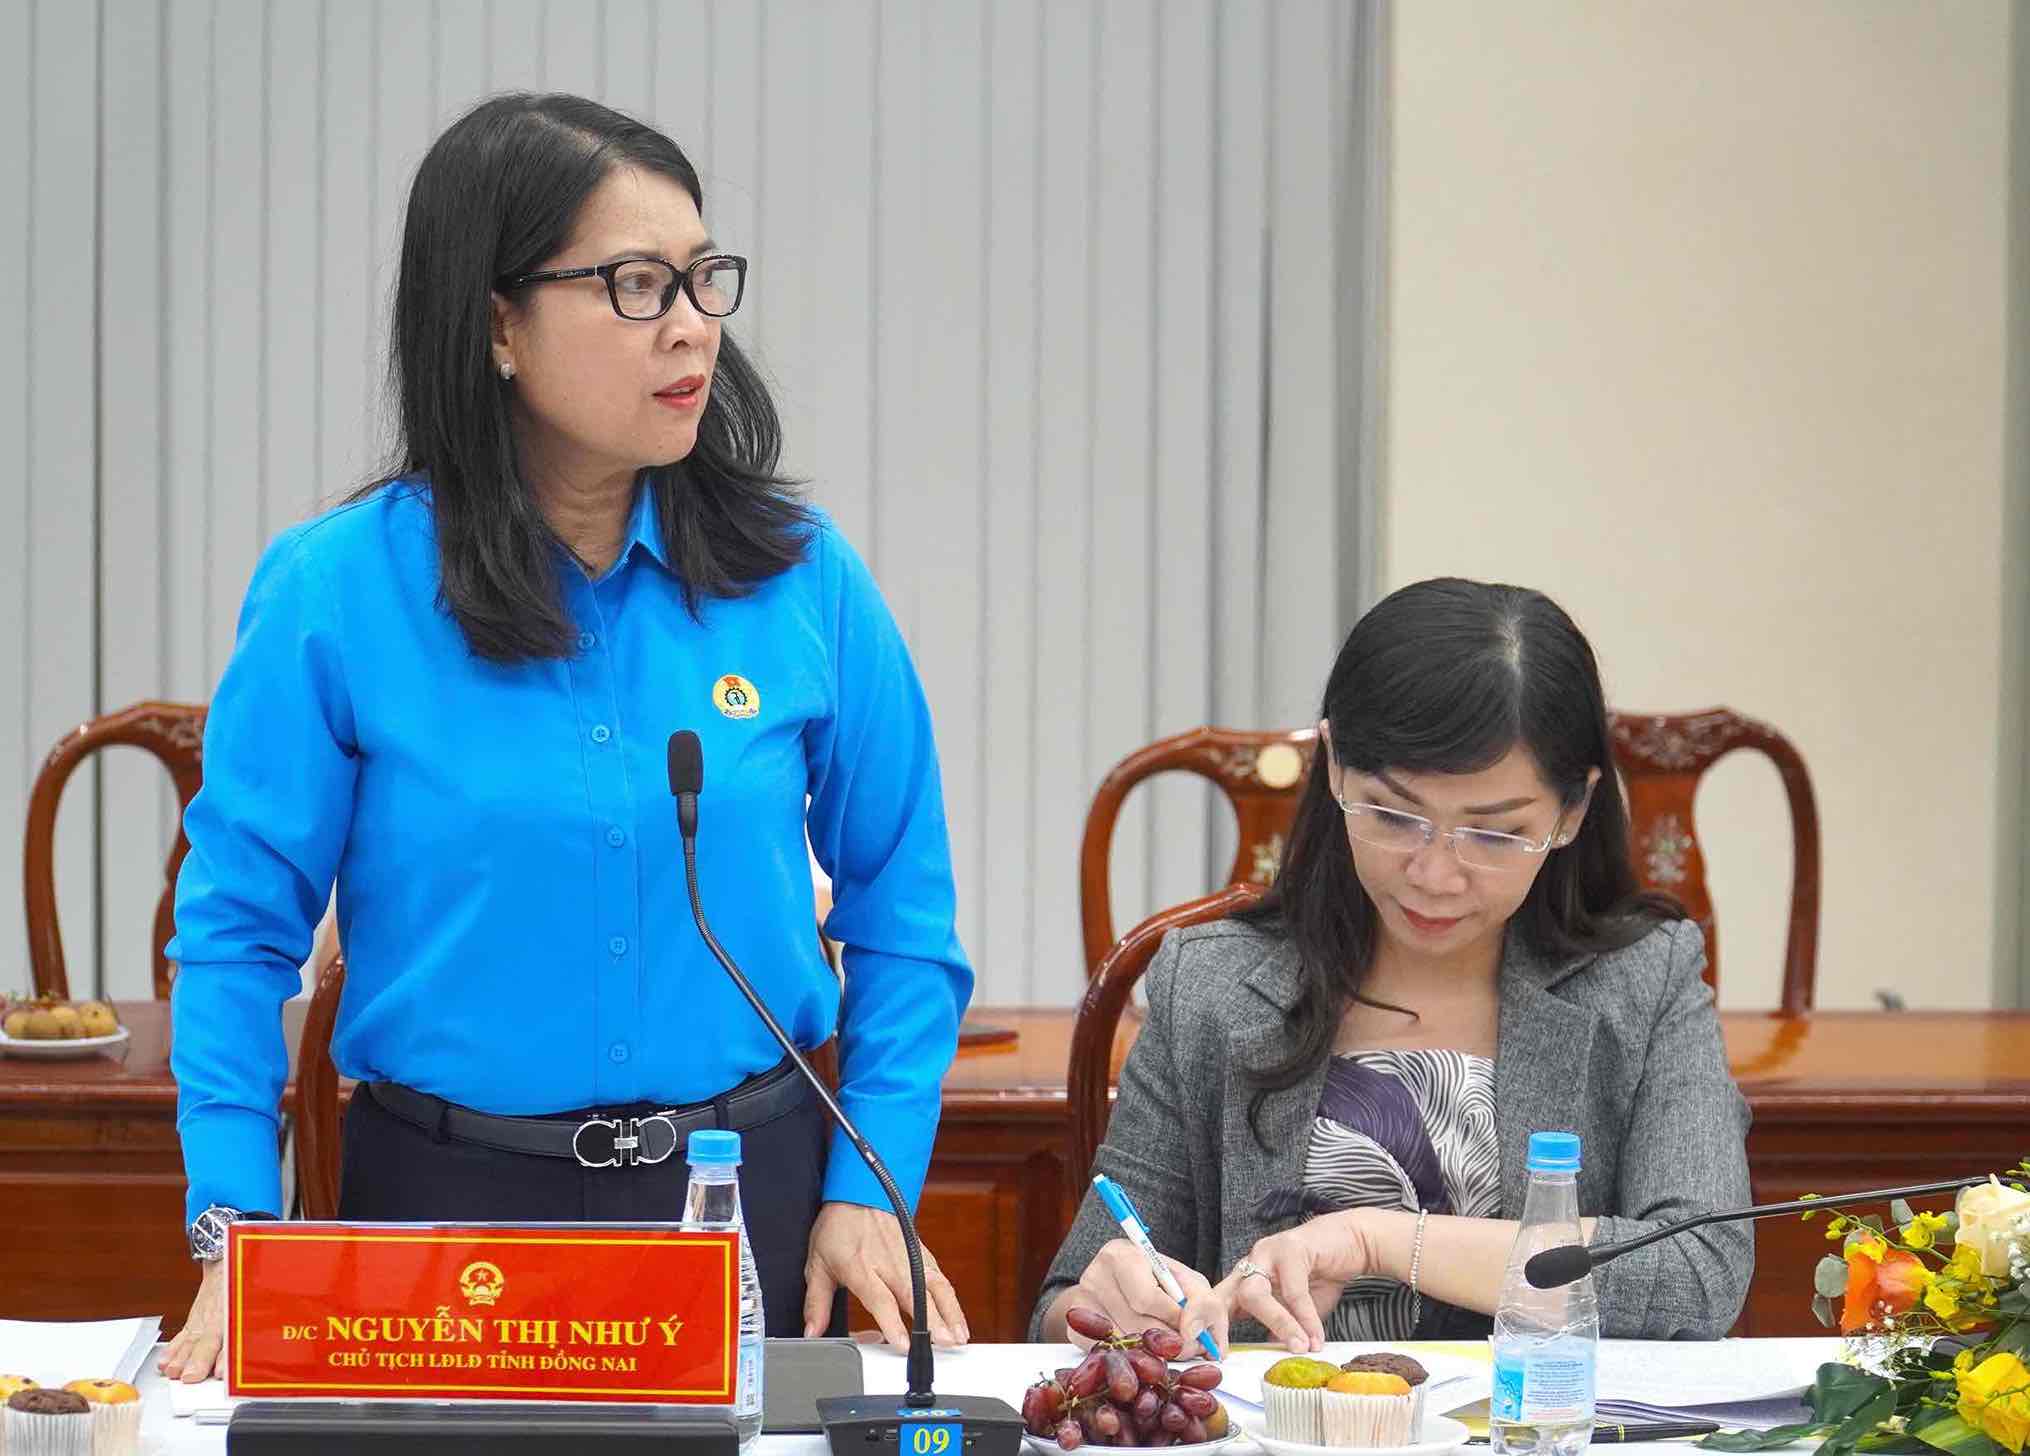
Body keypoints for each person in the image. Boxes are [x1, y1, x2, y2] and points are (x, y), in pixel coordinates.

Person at [160, 93, 973, 1380]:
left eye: (703, 277)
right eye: (636, 284)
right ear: (496, 322)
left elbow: (905, 918)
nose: (693, 323)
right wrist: (236, 1229)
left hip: (743, 1208)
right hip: (442, 1219)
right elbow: (236, 935)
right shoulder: (338, 591)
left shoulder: (802, 581)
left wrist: (871, 1174)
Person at [1032, 578, 1752, 1351]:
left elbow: (1700, 1269)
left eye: (1495, 834)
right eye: (1392, 816)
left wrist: (1383, 1241)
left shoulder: (1644, 981)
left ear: (1572, 811)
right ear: (1336, 766)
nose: (1436, 875)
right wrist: (1101, 1306)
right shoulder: (1209, 984)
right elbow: (1062, 1307)